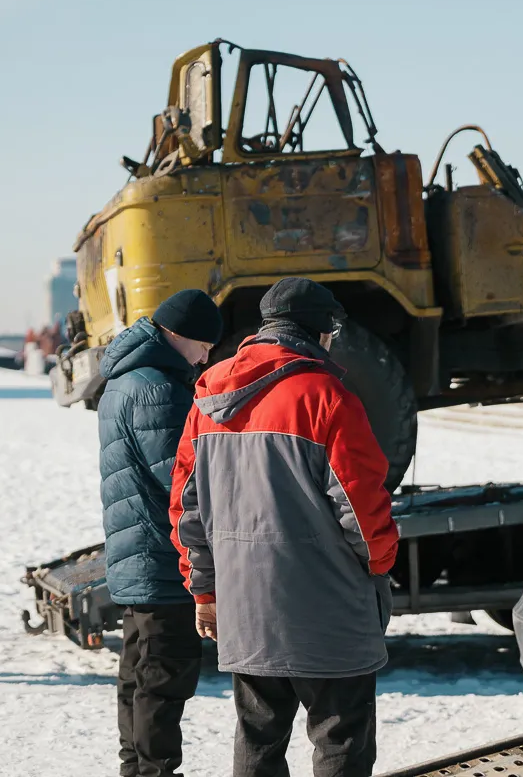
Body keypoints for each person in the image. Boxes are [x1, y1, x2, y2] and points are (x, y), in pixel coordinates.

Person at [169, 277, 399, 777]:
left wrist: (205, 591)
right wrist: (379, 567)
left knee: (258, 739)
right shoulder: (327, 395)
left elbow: (188, 511)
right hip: (328, 610)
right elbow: (361, 508)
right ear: (319, 332)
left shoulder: (207, 399)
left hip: (246, 609)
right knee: (340, 739)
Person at [98, 289, 224, 777]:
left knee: (138, 676)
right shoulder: (160, 388)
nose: (205, 357)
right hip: (163, 558)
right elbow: (182, 478)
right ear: (181, 335)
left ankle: (137, 769)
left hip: (136, 554)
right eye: (203, 346)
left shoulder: (126, 378)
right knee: (163, 681)